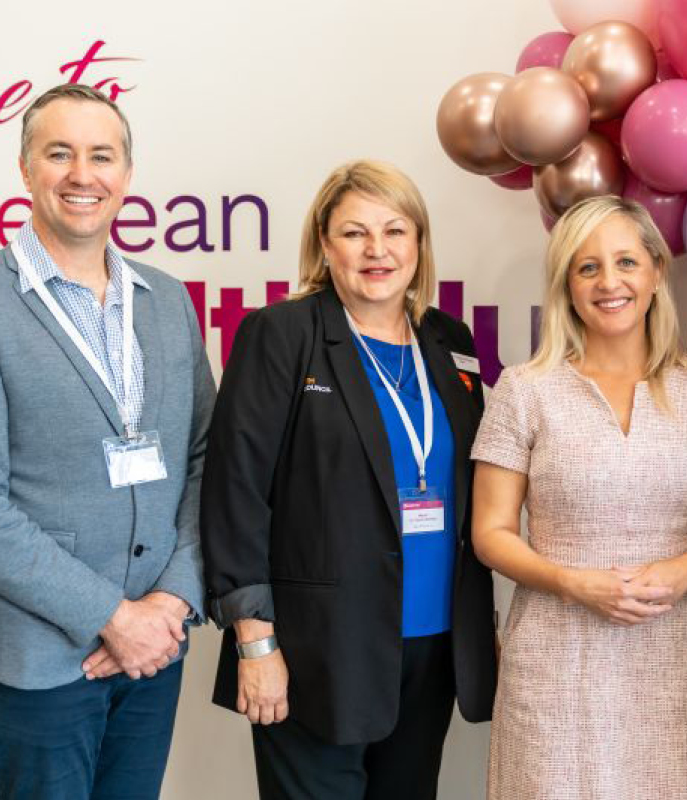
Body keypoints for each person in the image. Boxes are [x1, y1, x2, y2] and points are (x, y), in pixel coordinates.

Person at [0, 83, 215, 800]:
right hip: (41, 662)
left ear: (127, 176)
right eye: (60, 153)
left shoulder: (167, 301)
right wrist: (113, 620)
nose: (83, 174)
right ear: (25, 169)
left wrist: (169, 606)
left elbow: (206, 459)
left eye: (101, 155)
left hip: (153, 656)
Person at [200, 159, 497, 800]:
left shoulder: (451, 343)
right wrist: (256, 644)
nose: (377, 250)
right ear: (324, 244)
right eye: (355, 232)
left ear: (419, 243)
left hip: (433, 643)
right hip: (317, 651)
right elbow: (235, 494)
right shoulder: (281, 334)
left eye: (395, 231)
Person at [472, 195, 687, 799]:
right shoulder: (525, 389)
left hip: (677, 654)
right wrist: (574, 583)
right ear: (567, 284)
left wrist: (684, 571)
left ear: (655, 274)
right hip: (556, 654)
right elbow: (490, 532)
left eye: (625, 262)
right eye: (587, 267)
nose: (609, 282)